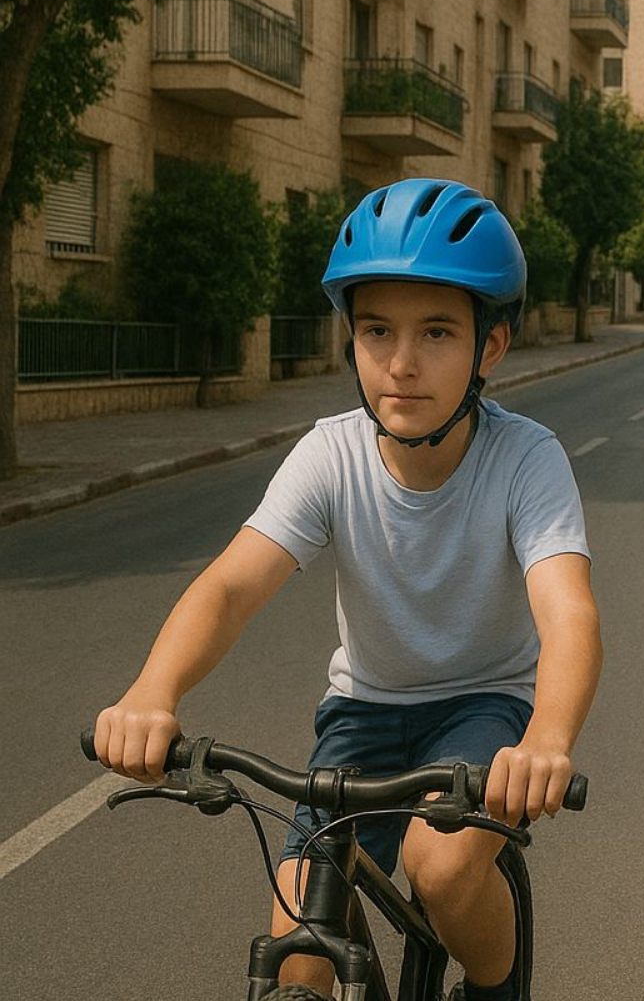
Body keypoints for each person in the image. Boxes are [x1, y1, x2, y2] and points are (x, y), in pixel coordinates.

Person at [92, 179, 602, 1001]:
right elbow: (229, 586)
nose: (400, 362)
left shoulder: (525, 459)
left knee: (440, 868)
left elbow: (569, 611)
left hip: (485, 710)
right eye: (376, 330)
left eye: (436, 332)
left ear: (490, 348)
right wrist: (153, 691)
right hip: (360, 717)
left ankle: (495, 983)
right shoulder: (330, 454)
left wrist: (545, 737)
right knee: (298, 943)